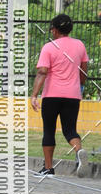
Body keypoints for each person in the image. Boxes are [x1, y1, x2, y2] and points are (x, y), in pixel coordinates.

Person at [31, 13, 89, 177]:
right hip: (73, 95)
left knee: (49, 130)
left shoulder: (49, 47)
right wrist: (79, 86)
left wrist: (34, 95)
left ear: (55, 30)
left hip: (52, 95)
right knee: (70, 130)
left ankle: (48, 168)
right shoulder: (80, 45)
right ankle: (79, 151)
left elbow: (42, 72)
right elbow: (83, 72)